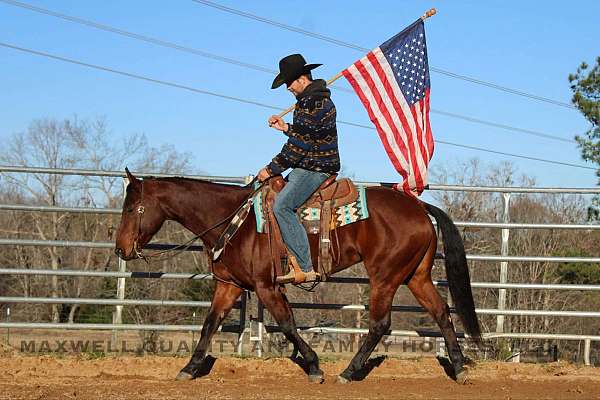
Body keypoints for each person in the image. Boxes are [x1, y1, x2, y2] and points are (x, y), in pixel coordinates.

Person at [256, 53, 341, 284]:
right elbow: (310, 135)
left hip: (316, 167)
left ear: (302, 79)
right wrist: (287, 128)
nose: (288, 88)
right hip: (314, 162)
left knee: (282, 206)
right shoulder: (315, 101)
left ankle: (304, 266)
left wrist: (271, 169)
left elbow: (299, 148)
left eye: (289, 83)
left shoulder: (311, 103)